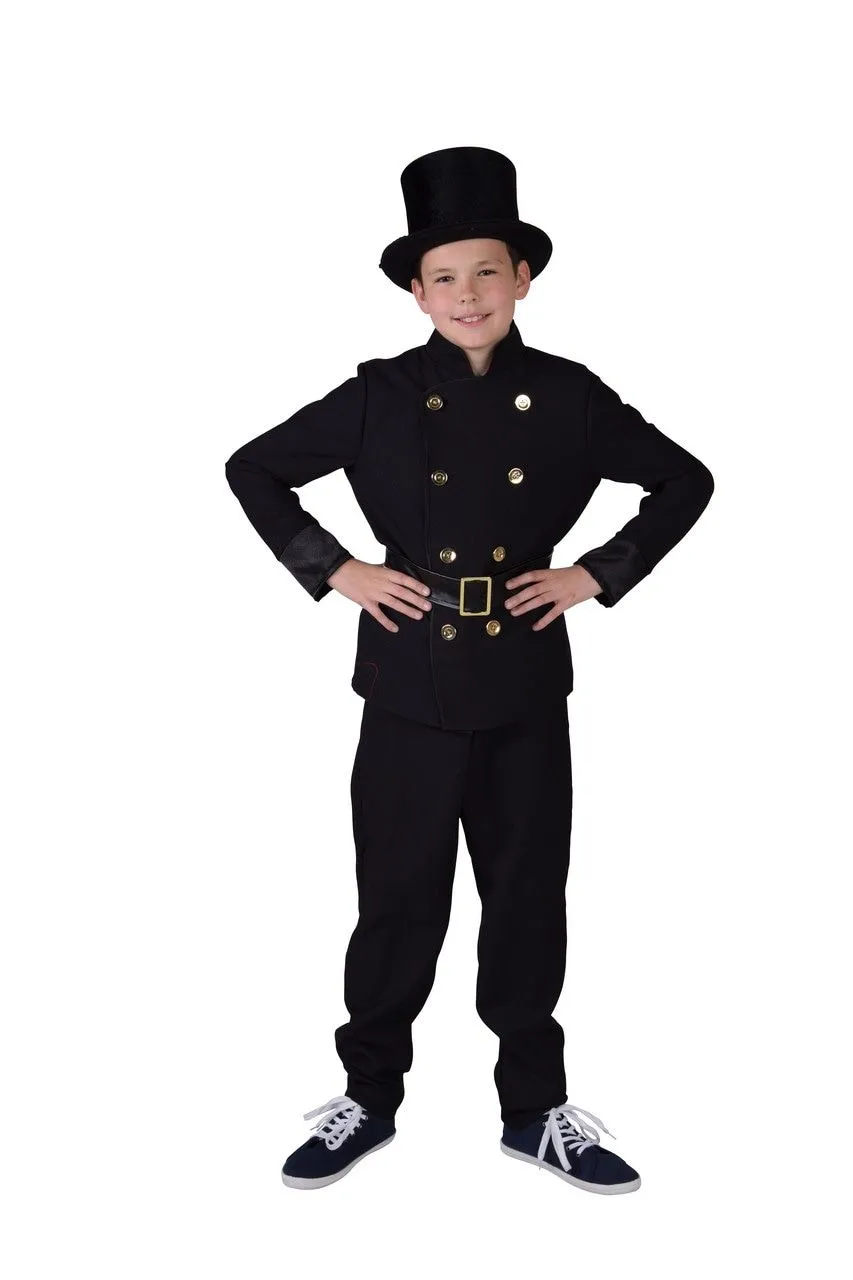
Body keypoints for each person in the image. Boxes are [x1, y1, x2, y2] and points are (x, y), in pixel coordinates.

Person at [224, 146, 714, 1195]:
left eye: (486, 271)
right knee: (397, 900)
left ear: (522, 277)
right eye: (442, 277)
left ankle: (534, 1111)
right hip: (407, 682)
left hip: (525, 684)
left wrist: (596, 572)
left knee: (528, 899)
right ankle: (368, 1095)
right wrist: (336, 567)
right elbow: (252, 466)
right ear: (416, 292)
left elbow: (685, 479)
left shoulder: (570, 395)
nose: (466, 294)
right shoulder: (379, 395)